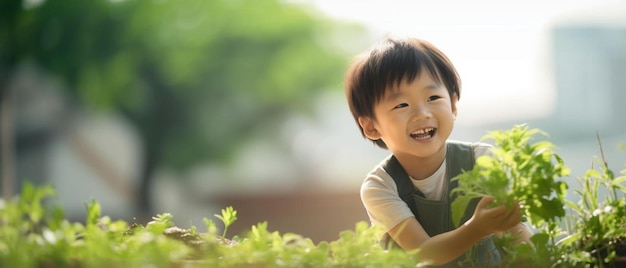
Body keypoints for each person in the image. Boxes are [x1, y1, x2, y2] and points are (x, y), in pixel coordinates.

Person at [343, 36, 532, 267]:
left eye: (433, 98)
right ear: (372, 126)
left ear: (453, 106)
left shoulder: (483, 160)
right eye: (401, 105)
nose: (422, 113)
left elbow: (517, 234)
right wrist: (477, 228)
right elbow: (423, 254)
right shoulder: (380, 187)